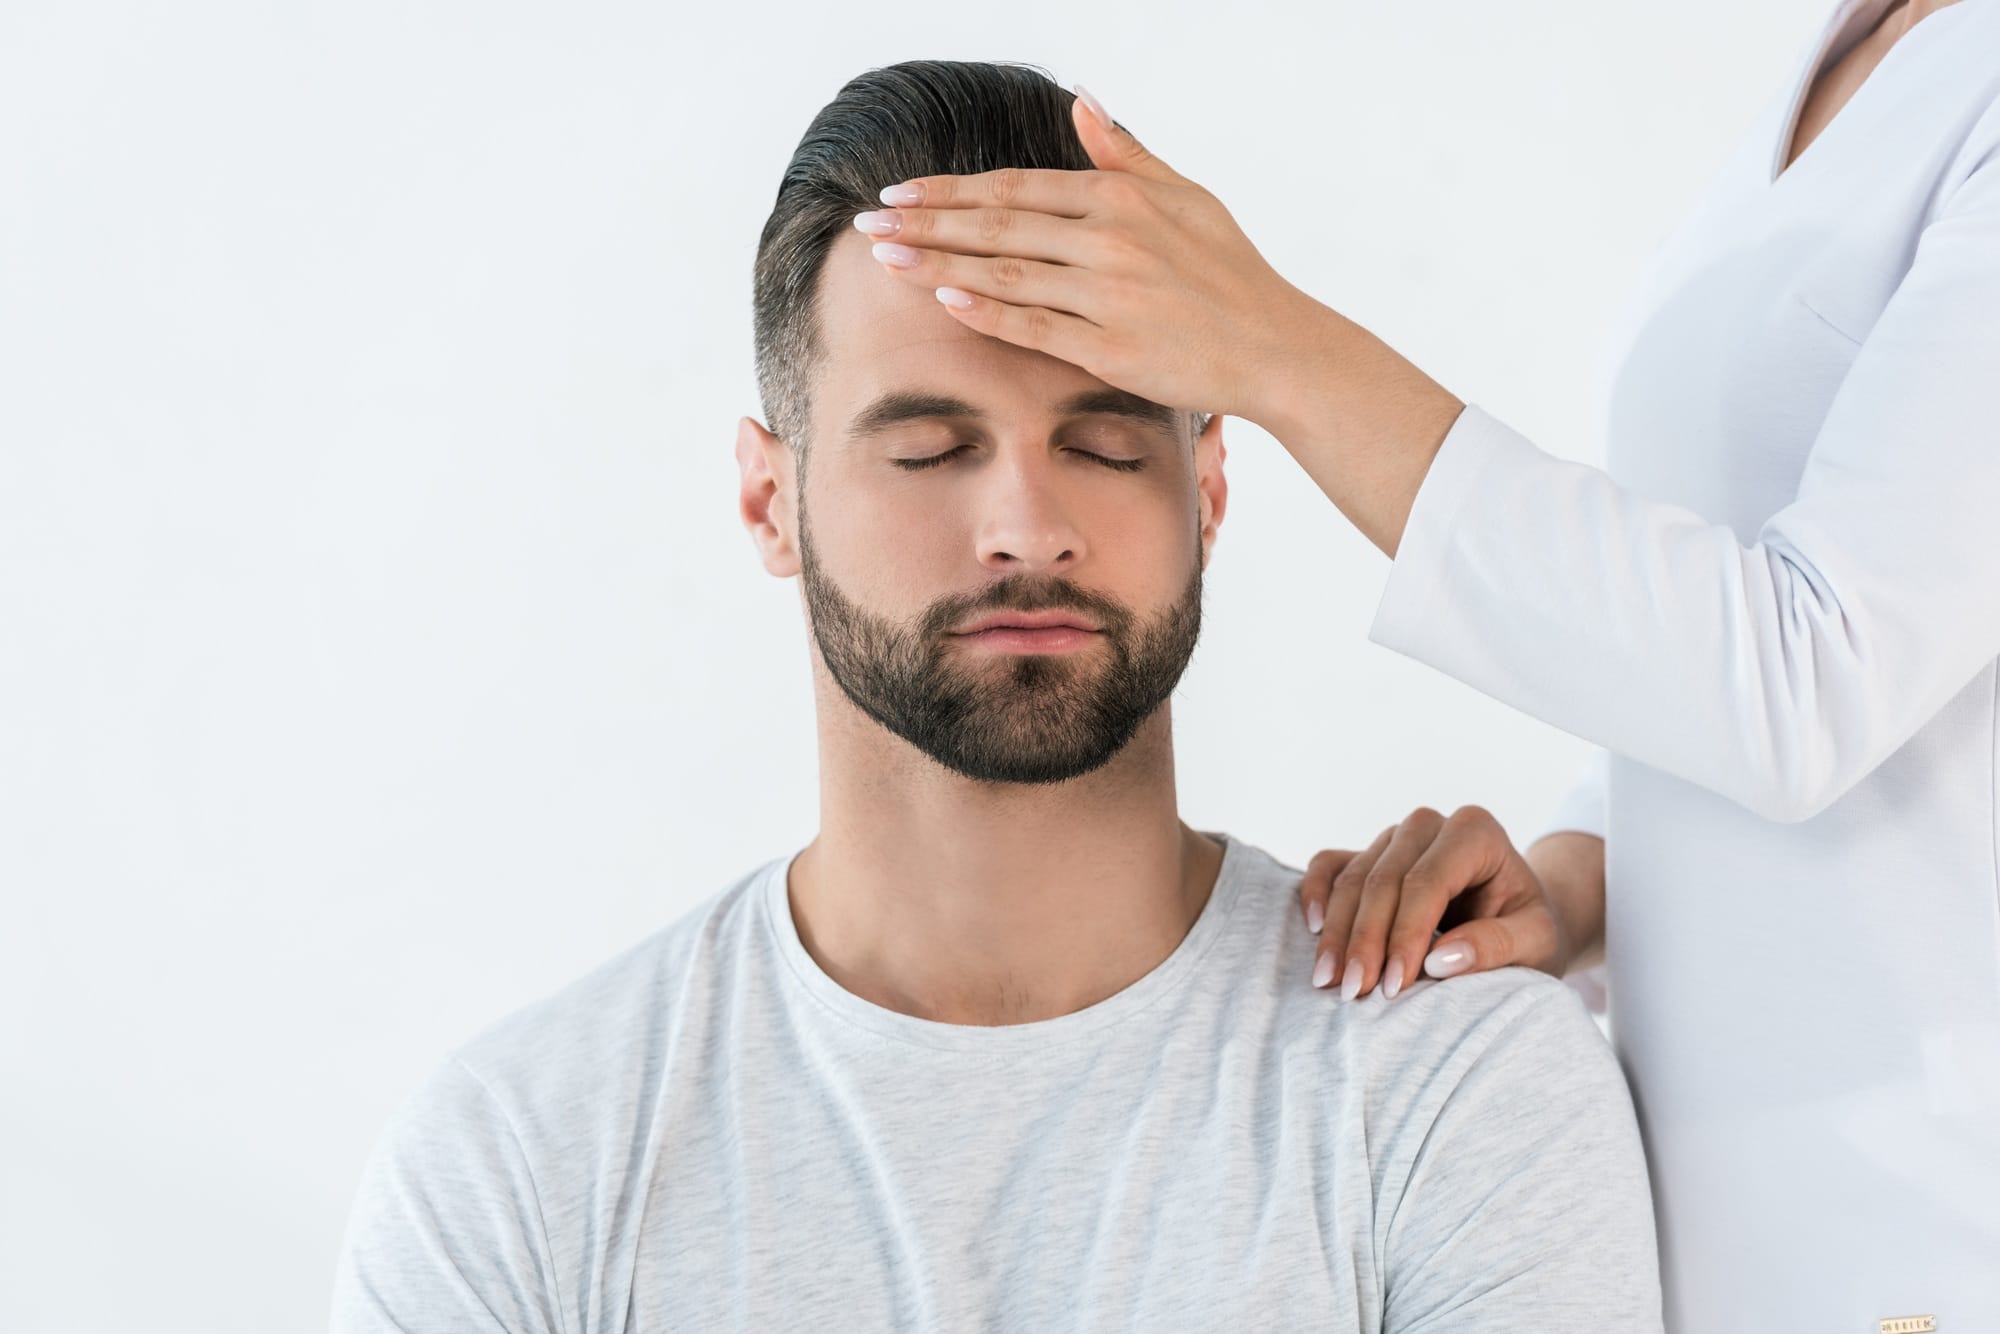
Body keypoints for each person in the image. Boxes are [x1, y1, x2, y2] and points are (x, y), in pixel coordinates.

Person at [329, 61, 1663, 1333]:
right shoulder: (519, 1161)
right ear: (766, 497)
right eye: (928, 450)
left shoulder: (1455, 1083)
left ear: (1206, 489)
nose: (1028, 525)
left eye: (1100, 444)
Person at [856, 2, 2000, 1328]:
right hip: (1725, 1221)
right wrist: (1578, 877)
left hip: (1929, 1219)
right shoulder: (1862, 54)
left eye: (1109, 446)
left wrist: (1275, 345)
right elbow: (1789, 630)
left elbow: (1825, 671)